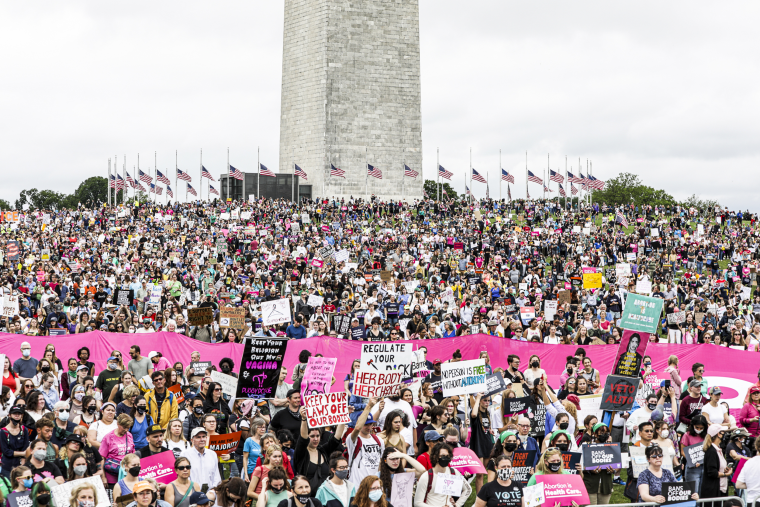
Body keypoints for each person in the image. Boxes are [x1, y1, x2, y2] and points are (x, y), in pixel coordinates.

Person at [413, 443, 471, 507]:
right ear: (435, 457)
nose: (445, 458)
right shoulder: (426, 477)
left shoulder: (453, 472)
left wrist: (457, 505)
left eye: (447, 456)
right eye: (443, 456)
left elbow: (468, 489)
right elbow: (417, 503)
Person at [347, 399, 384, 484]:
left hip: (374, 487)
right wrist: (369, 406)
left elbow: (381, 463)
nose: (369, 427)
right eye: (366, 424)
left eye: (370, 424)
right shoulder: (353, 439)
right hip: (357, 486)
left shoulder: (379, 440)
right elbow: (357, 428)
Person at [180, 427, 221, 502]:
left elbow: (216, 475)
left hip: (211, 495)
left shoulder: (212, 454)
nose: (202, 439)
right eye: (198, 437)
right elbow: (183, 476)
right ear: (192, 440)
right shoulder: (185, 454)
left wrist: (213, 490)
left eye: (204, 437)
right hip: (191, 494)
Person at [100, 414, 136, 487]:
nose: (126, 430)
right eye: (124, 427)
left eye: (128, 428)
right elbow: (102, 458)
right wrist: (103, 477)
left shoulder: (129, 435)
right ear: (118, 424)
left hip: (126, 475)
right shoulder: (108, 437)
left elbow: (133, 453)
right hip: (112, 475)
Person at [702, 424, 732, 505]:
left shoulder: (718, 450)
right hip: (714, 492)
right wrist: (726, 474)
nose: (724, 434)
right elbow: (712, 472)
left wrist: (724, 470)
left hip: (720, 489)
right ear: (718, 434)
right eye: (723, 432)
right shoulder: (712, 451)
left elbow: (717, 468)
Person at [0, 405, 30, 478]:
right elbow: (6, 451)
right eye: (14, 414)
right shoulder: (3, 431)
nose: (17, 416)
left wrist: (23, 464)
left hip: (21, 464)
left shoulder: (23, 429)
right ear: (9, 415)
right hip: (7, 465)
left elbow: (26, 446)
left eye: (19, 414)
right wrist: (22, 453)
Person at [735, 437, 760, 507]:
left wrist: (752, 485)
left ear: (756, 447)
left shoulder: (748, 462)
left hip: (751, 502)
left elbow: (738, 484)